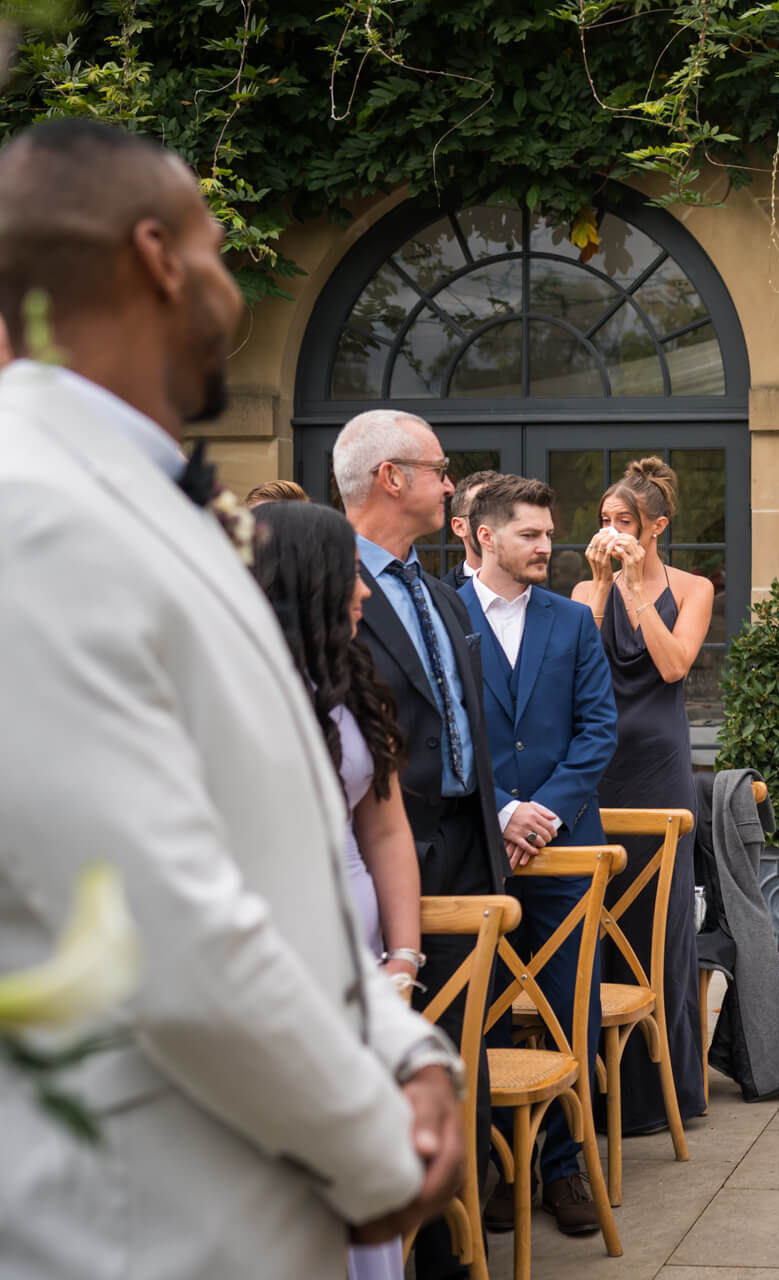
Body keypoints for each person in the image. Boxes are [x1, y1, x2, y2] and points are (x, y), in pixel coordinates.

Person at [0, 120, 461, 1278]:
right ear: (157, 257)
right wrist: (380, 1144)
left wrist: (408, 1047)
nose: (229, 282)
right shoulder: (33, 510)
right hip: (149, 1227)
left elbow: (284, 851)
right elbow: (159, 921)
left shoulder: (163, 503)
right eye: (215, 248)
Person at [336, 408, 509, 1280]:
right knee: (403, 1062)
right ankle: (424, 1252)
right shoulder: (330, 592)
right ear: (391, 478)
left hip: (473, 845)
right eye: (440, 470)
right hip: (389, 858)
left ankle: (461, 1236)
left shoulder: (441, 593)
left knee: (460, 1053)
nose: (453, 484)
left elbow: (467, 724)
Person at [250, 500, 427, 1280]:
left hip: (362, 962)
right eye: (351, 574)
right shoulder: (241, 694)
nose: (364, 589)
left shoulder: (351, 677)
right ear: (306, 581)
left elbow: (385, 830)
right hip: (281, 961)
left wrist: (403, 955)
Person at [457, 476, 619, 1235]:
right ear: (483, 535)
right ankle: (494, 1168)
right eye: (530, 534)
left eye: (549, 534)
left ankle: (560, 1171)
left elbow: (597, 731)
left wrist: (541, 814)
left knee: (569, 1011)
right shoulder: (440, 616)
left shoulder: (572, 621)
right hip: (474, 855)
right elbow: (442, 734)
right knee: (477, 1015)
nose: (547, 546)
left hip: (564, 852)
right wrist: (501, 815)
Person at [572, 458, 715, 1136]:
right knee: (593, 918)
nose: (610, 531)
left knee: (657, 925)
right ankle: (591, 1090)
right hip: (595, 770)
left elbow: (672, 664)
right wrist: (601, 587)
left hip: (658, 768)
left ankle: (664, 1093)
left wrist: (633, 589)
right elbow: (571, 670)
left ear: (655, 527)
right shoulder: (582, 590)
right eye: (604, 522)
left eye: (622, 522)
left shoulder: (693, 587)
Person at [443, 468, 500, 589]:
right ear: (460, 527)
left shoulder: (544, 598)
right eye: (485, 511)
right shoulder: (437, 599)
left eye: (508, 514)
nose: (500, 522)